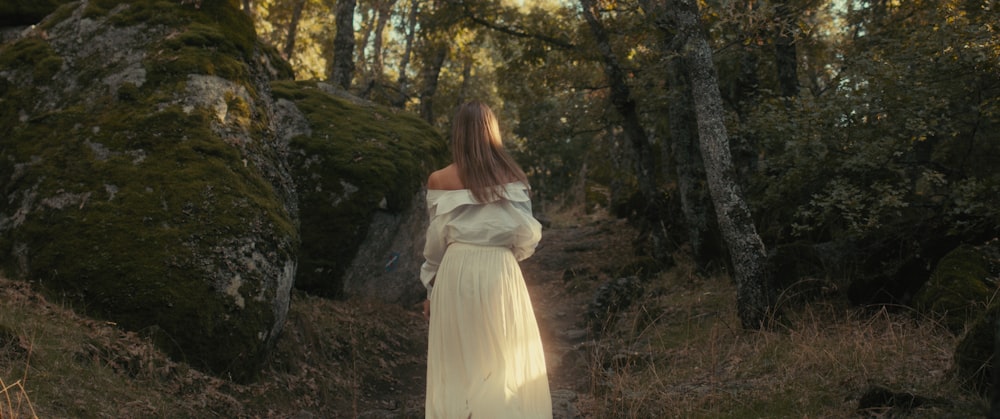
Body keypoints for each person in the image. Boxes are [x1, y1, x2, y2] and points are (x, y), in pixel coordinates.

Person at [420, 101, 551, 418]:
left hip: (455, 269)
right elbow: (528, 235)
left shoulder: (439, 179)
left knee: (457, 361)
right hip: (499, 270)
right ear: (492, 132)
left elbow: (437, 241)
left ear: (458, 135)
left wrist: (430, 287)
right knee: (502, 359)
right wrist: (506, 254)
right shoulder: (513, 177)